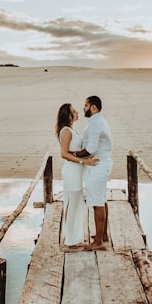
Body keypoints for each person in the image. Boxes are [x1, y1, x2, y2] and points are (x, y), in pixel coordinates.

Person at [55, 103, 97, 248]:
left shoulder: (71, 130)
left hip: (76, 171)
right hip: (71, 171)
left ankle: (73, 238)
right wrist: (82, 160)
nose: (78, 112)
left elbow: (74, 150)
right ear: (68, 115)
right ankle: (71, 240)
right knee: (72, 204)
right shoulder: (66, 131)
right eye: (74, 111)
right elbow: (63, 154)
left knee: (75, 204)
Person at [75, 95, 112, 250]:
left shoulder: (96, 123)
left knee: (97, 203)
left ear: (93, 107)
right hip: (100, 164)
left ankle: (98, 242)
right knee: (101, 199)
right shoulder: (97, 121)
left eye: (86, 105)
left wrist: (74, 154)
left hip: (98, 165)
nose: (83, 108)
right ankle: (102, 234)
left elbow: (91, 148)